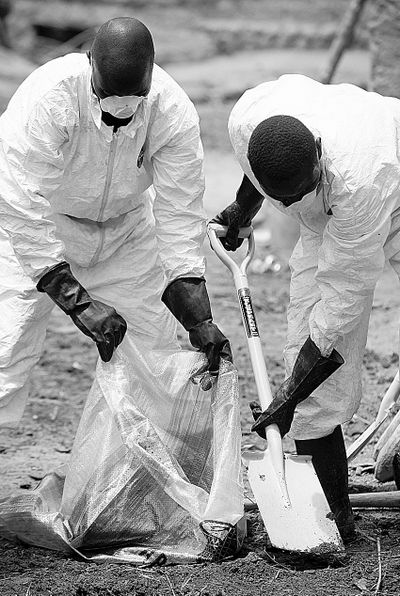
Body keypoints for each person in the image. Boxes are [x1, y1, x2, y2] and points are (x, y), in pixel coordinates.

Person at [0, 16, 231, 428]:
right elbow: (20, 200)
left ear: (152, 73)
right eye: (109, 95)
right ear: (90, 63)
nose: (122, 107)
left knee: (152, 356)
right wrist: (78, 302)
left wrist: (199, 317)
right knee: (6, 349)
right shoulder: (51, 96)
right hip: (43, 228)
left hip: (126, 231)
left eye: (135, 95)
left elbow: (179, 211)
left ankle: (141, 480)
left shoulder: (171, 109)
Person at [211, 73, 400, 542]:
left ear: (317, 149)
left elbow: (340, 309)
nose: (289, 204)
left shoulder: (363, 179)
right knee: (306, 353)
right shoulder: (247, 120)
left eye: (296, 192)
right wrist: (241, 209)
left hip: (388, 199)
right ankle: (337, 525)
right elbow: (261, 175)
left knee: (322, 335)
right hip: (330, 213)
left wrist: (286, 396)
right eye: (283, 198)